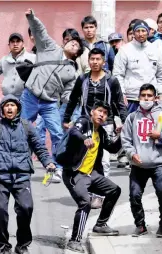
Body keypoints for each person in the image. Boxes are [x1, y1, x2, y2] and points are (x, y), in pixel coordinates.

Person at [0, 94, 56, 254]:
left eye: (12, 105)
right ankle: (4, 246)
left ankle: (22, 245)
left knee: (26, 208)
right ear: (2, 109)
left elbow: (39, 147)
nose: (9, 108)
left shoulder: (26, 126)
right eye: (6, 105)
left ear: (17, 108)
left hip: (22, 177)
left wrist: (48, 162)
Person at [21, 9, 83, 183]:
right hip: (30, 96)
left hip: (50, 103)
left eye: (77, 45)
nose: (73, 44)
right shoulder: (50, 47)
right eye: (71, 41)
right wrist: (31, 17)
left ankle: (57, 168)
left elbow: (68, 95)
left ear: (77, 53)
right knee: (20, 129)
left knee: (57, 134)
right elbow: (40, 31)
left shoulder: (72, 72)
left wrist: (70, 114)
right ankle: (21, 166)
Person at [62, 101, 122, 253]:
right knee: (85, 202)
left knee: (114, 190)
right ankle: (74, 240)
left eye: (105, 113)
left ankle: (100, 224)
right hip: (75, 173)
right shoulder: (83, 122)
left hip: (92, 174)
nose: (102, 115)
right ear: (92, 112)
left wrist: (121, 134)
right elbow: (74, 131)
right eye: (99, 111)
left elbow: (113, 148)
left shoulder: (101, 132)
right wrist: (84, 138)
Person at [121, 84, 162, 238]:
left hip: (159, 163)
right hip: (138, 164)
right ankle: (140, 225)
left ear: (155, 98)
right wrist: (131, 154)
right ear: (139, 97)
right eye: (143, 95)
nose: (146, 98)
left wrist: (159, 135)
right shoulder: (132, 117)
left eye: (149, 96)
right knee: (134, 195)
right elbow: (126, 140)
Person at [63, 48, 127, 177]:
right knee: (85, 156)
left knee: (105, 161)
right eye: (92, 59)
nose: (95, 62)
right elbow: (73, 99)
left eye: (98, 59)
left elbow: (119, 102)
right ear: (88, 61)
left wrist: (124, 121)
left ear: (104, 62)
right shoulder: (82, 79)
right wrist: (66, 118)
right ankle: (86, 187)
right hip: (86, 123)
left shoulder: (112, 80)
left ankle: (102, 188)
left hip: (106, 124)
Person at [113, 19, 162, 168]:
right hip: (131, 97)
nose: (141, 34)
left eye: (144, 30)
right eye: (138, 31)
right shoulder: (125, 50)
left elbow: (161, 74)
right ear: (133, 33)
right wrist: (121, 93)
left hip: (151, 97)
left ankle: (149, 157)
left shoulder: (156, 49)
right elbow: (118, 74)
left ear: (148, 32)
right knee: (130, 128)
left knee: (150, 128)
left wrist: (160, 94)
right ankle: (127, 155)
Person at [0, 33, 35, 99]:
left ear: (23, 43)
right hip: (8, 99)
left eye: (18, 41)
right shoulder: (4, 60)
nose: (15, 44)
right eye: (12, 42)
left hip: (27, 98)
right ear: (9, 45)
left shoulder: (32, 58)